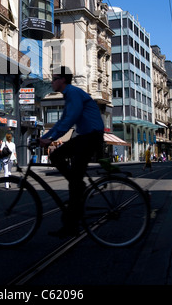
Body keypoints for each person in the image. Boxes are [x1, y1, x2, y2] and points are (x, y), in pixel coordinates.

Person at [40, 66, 104, 238]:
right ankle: (72, 222)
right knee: (72, 178)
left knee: (57, 157)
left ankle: (77, 190)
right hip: (88, 136)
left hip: (90, 136)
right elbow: (62, 121)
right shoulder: (69, 95)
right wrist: (45, 137)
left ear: (62, 80)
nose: (51, 82)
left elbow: (70, 120)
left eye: (53, 79)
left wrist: (50, 139)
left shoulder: (73, 93)